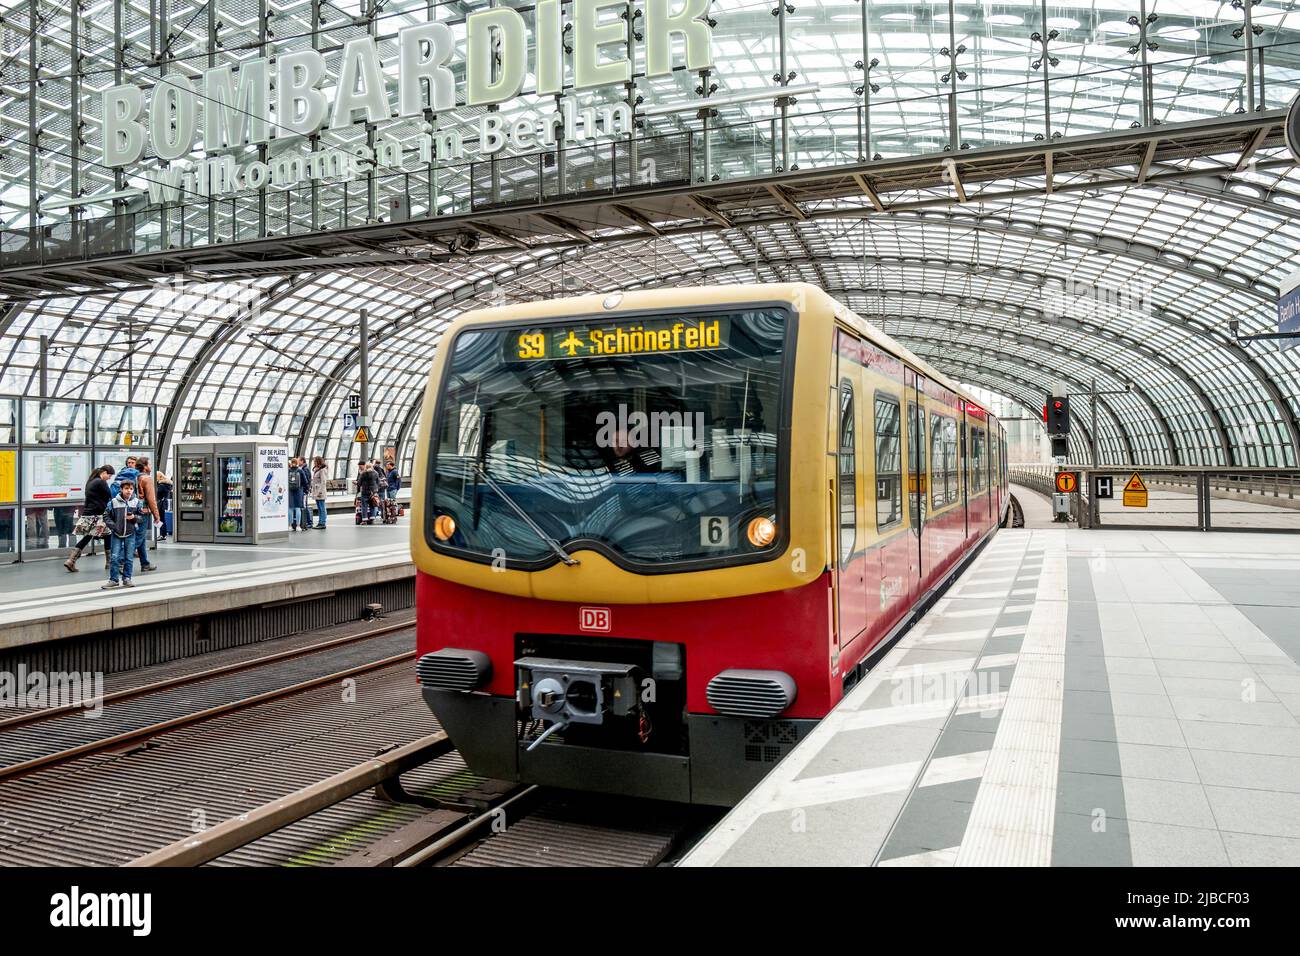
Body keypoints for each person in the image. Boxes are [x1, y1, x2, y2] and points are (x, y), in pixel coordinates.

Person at [64, 465, 114, 572]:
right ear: (104, 472)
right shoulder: (101, 482)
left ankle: (71, 560)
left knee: (88, 537)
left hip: (88, 513)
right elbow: (110, 495)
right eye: (109, 475)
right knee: (108, 535)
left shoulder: (90, 482)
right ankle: (109, 563)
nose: (109, 478)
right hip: (98, 515)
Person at [101, 478, 146, 589]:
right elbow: (106, 516)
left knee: (129, 557)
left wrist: (134, 517)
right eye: (126, 488)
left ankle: (127, 578)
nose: (129, 491)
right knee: (114, 557)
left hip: (130, 534)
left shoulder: (137, 502)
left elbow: (142, 518)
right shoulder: (113, 502)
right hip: (116, 534)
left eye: (131, 489)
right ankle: (114, 579)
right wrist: (114, 526)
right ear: (121, 489)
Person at [133, 456, 160, 571]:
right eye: (149, 464)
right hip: (143, 511)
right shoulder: (146, 479)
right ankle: (121, 561)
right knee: (138, 538)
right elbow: (151, 499)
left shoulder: (135, 477)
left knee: (141, 538)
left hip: (133, 510)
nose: (150, 467)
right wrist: (156, 515)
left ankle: (145, 563)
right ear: (144, 466)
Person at [287, 456, 307, 530]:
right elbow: (305, 482)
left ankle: (289, 526)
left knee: (290, 508)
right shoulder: (300, 471)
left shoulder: (288, 471)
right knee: (298, 508)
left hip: (290, 491)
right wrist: (305, 490)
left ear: (291, 463)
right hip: (299, 491)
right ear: (297, 463)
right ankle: (298, 526)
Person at [310, 456, 329, 531]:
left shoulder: (322, 470)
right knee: (319, 507)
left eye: (315, 461)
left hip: (320, 492)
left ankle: (322, 523)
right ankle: (320, 522)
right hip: (316, 492)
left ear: (318, 461)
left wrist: (319, 492)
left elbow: (323, 482)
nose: (314, 462)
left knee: (322, 507)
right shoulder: (317, 470)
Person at [154, 468, 174, 541]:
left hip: (160, 504)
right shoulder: (166, 484)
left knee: (161, 519)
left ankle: (162, 534)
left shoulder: (162, 485)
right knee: (162, 519)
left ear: (159, 477)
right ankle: (163, 534)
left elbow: (157, 493)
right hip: (163, 503)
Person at [298, 458, 315, 528]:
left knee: (305, 506)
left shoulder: (305, 469)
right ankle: (307, 522)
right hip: (304, 490)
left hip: (304, 491)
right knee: (304, 506)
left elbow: (307, 481)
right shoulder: (303, 468)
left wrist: (306, 490)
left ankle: (309, 522)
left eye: (299, 460)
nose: (298, 462)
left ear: (302, 461)